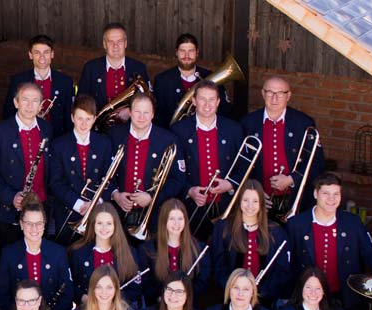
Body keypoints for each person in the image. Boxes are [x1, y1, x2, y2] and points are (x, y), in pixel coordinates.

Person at [285, 174, 372, 309]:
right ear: (315, 194)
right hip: (308, 298)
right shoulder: (296, 224)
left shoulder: (352, 223)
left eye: (336, 194)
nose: (331, 199)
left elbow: (371, 253)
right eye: (326, 193)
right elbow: (287, 263)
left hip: (343, 298)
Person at [169, 80, 243, 243]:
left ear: (218, 102)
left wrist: (230, 184)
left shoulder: (233, 129)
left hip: (226, 204)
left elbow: (245, 166)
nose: (207, 105)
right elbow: (173, 170)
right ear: (194, 101)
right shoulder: (179, 130)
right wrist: (189, 190)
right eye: (202, 99)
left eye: (212, 100)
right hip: (193, 206)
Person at [240, 76, 324, 214]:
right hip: (258, 201)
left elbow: (317, 163)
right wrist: (254, 190)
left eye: (280, 93)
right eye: (270, 92)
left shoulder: (303, 123)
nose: (274, 98)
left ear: (288, 96)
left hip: (296, 198)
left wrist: (291, 179)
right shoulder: (247, 123)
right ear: (262, 93)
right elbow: (241, 164)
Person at [106, 93, 184, 239]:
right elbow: (103, 171)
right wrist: (115, 194)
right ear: (129, 112)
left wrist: (152, 197)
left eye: (146, 112)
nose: (141, 117)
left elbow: (177, 180)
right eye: (137, 112)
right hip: (117, 213)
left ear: (153, 114)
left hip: (154, 214)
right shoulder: (114, 135)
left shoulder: (168, 139)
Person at [47, 94, 116, 244]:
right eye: (80, 118)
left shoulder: (104, 143)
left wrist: (96, 203)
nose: (84, 124)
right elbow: (56, 183)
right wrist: (79, 204)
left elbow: (110, 178)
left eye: (88, 119)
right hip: (68, 211)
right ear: (72, 117)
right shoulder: (59, 145)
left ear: (95, 118)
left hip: (97, 213)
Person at [209, 180, 290, 304]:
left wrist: (261, 293)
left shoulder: (276, 232)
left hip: (263, 300)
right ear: (239, 200)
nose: (250, 206)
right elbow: (218, 266)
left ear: (261, 203)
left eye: (255, 201)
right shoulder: (223, 228)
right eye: (245, 200)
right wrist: (235, 291)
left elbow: (281, 271)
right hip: (229, 299)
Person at [0, 82, 53, 246]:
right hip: (9, 211)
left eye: (35, 100)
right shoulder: (0, 131)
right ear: (16, 102)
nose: (29, 105)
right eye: (25, 99)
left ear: (41, 105)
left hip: (40, 208)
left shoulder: (47, 129)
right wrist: (10, 196)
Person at [0, 201, 74, 310]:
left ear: (44, 225)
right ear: (22, 225)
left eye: (39, 223)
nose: (34, 228)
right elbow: (2, 294)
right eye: (29, 223)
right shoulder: (9, 253)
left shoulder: (59, 252)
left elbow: (67, 292)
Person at [68, 204, 146, 306]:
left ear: (115, 226)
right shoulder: (78, 252)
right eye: (99, 223)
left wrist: (114, 301)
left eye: (109, 223)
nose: (104, 228)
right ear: (93, 225)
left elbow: (135, 289)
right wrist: (83, 298)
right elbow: (70, 285)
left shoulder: (129, 252)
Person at [2, 34, 76, 137]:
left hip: (57, 139)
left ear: (52, 54)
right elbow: (9, 113)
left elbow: (69, 116)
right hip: (26, 137)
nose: (42, 57)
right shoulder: (18, 81)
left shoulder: (65, 82)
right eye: (37, 53)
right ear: (30, 55)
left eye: (46, 52)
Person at [140, 199, 211, 302]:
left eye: (180, 219)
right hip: (157, 306)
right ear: (164, 221)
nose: (176, 223)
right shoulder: (147, 249)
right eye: (171, 219)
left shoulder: (199, 249)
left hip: (189, 307)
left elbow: (203, 282)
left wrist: (185, 297)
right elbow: (146, 284)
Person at [153, 33, 230, 126]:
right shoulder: (162, 81)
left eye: (191, 51)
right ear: (176, 52)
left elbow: (225, 111)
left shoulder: (211, 78)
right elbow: (158, 117)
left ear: (197, 53)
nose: (186, 55)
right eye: (182, 51)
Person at [78, 23, 149, 121]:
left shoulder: (138, 68)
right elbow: (81, 100)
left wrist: (129, 111)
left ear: (125, 43)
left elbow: (148, 99)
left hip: (130, 126)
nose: (115, 46)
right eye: (110, 41)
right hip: (98, 128)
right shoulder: (91, 68)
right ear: (104, 44)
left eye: (119, 41)